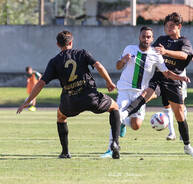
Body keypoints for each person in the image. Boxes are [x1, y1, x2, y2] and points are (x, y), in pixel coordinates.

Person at [17, 30, 121, 159]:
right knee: (114, 107)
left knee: (60, 116)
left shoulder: (54, 61)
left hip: (71, 101)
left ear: (57, 44)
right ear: (71, 42)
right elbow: (98, 65)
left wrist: (27, 102)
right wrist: (109, 82)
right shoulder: (82, 53)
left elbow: (40, 83)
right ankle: (115, 143)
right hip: (90, 96)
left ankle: (65, 152)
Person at [119, 12, 193, 157]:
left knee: (180, 113)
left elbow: (184, 55)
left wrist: (166, 52)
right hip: (158, 77)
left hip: (173, 80)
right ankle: (123, 116)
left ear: (179, 26)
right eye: (166, 26)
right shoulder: (162, 39)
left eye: (171, 26)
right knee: (145, 95)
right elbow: (149, 51)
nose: (168, 29)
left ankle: (187, 146)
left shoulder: (184, 42)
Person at [101, 26, 190, 158]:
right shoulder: (129, 49)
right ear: (139, 37)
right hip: (125, 90)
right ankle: (111, 147)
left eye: (148, 37)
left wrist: (180, 77)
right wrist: (123, 60)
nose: (146, 39)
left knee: (136, 125)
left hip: (140, 94)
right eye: (144, 36)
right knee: (117, 115)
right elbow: (118, 66)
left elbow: (166, 73)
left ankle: (124, 124)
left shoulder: (156, 55)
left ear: (152, 39)